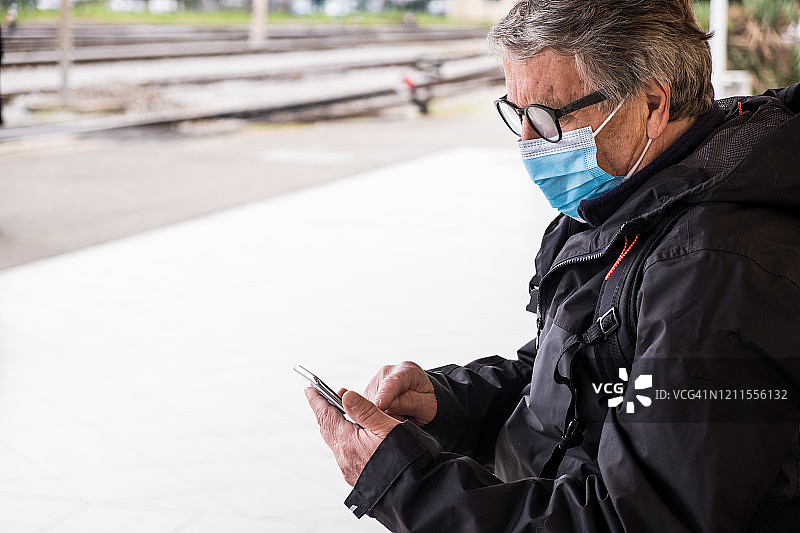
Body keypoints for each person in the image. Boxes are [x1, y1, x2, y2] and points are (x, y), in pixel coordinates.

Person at [304, 0, 800, 530]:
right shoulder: (625, 194)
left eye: (545, 117)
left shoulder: (716, 273)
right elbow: (579, 380)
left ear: (653, 103)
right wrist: (448, 404)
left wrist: (407, 484)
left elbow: (639, 519)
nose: (528, 141)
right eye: (516, 114)